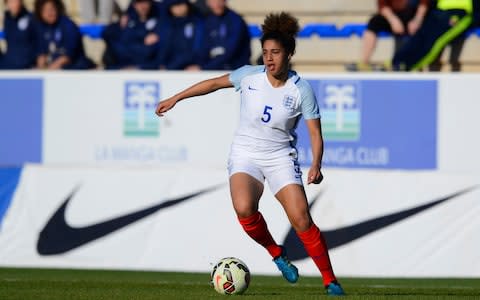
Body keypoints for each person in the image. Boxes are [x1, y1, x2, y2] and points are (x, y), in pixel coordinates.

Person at [155, 12, 345, 296]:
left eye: (276, 53)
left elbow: (316, 133)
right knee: (244, 208)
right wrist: (175, 98)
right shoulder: (249, 76)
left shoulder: (301, 89)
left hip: (280, 157)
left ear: (289, 53)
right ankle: (277, 254)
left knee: (302, 219)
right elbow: (213, 84)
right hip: (246, 154)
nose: (269, 59)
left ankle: (330, 281)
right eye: (266, 53)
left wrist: (316, 164)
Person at [392, 0, 480, 71]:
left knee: (435, 42)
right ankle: (397, 61)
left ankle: (408, 66)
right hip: (439, 11)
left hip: (461, 12)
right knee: (420, 36)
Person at [346, 0, 429, 71]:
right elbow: (382, 5)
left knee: (420, 29)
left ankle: (412, 64)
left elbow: (424, 3)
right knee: (374, 22)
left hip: (415, 15)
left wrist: (417, 19)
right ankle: (364, 62)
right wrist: (393, 19)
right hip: (394, 15)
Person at [34, 0, 96, 69]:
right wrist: (41, 68)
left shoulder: (68, 26)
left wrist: (52, 68)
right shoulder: (41, 27)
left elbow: (68, 55)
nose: (49, 13)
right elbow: (41, 54)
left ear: (57, 8)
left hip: (73, 68)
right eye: (45, 10)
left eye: (51, 9)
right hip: (53, 69)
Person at [102, 0, 162, 69]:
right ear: (134, 4)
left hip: (146, 67)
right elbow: (119, 47)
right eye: (139, 3)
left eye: (146, 2)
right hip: (124, 66)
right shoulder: (125, 21)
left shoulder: (159, 19)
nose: (143, 6)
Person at [193, 0, 251, 70]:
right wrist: (200, 65)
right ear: (208, 3)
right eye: (213, 1)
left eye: (220, 1)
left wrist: (205, 67)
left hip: (235, 68)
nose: (217, 4)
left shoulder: (235, 20)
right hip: (213, 67)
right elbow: (203, 48)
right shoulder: (207, 21)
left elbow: (231, 52)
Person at [158, 0, 204, 70]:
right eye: (175, 5)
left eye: (181, 4)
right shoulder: (166, 25)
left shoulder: (197, 23)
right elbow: (164, 49)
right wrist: (161, 65)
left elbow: (196, 49)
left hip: (190, 67)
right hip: (168, 68)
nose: (178, 8)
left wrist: (170, 67)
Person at [0, 0, 36, 69]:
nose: (15, 4)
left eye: (17, 1)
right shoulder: (4, 20)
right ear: (6, 3)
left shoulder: (31, 19)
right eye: (11, 1)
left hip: (26, 67)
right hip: (5, 67)